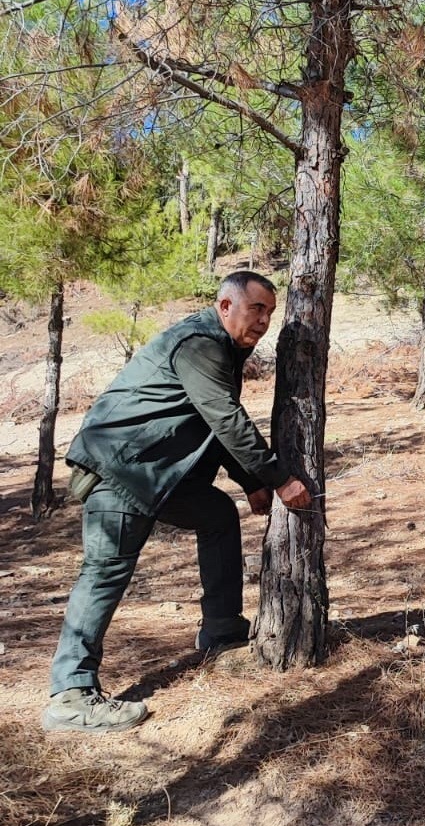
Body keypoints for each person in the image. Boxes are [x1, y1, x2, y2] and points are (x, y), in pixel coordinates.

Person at [42, 271, 312, 733]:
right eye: (257, 308)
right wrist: (278, 477)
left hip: (157, 475)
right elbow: (225, 419)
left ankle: (223, 630)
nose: (265, 320)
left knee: (217, 514)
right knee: (105, 574)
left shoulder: (222, 349)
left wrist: (250, 483)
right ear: (226, 306)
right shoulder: (200, 344)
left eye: (270, 311)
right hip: (122, 470)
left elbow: (211, 422)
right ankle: (70, 695)